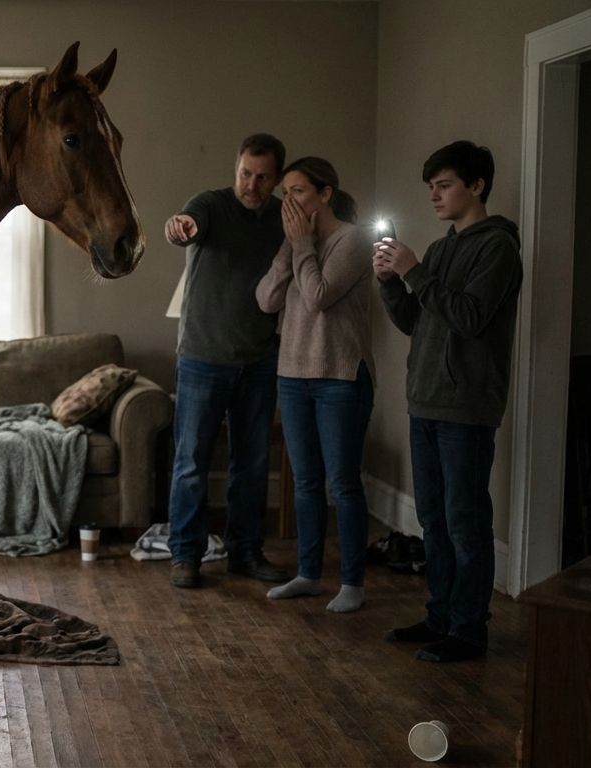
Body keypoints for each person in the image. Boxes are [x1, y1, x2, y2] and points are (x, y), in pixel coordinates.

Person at [374, 141, 522, 662]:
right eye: (431, 187)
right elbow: (419, 323)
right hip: (426, 401)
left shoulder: (498, 247)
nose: (434, 196)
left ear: (475, 186)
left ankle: (468, 630)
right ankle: (440, 617)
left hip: (466, 409)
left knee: (465, 523)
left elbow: (470, 317)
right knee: (432, 521)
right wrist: (391, 284)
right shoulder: (439, 250)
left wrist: (415, 272)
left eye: (444, 185)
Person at [162, 134, 291, 589]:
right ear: (234, 168)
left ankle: (245, 552)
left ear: (275, 179)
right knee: (192, 461)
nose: (251, 185)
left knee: (252, 463)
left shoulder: (283, 218)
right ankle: (186, 555)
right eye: (244, 174)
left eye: (261, 177)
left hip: (259, 360)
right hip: (202, 357)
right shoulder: (211, 205)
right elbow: (183, 224)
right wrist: (179, 226)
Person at [254, 157, 375, 612]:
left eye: (299, 191)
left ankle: (352, 584)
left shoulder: (354, 239)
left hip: (340, 376)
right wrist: (290, 249)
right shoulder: (295, 242)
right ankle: (307, 574)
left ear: (325, 194)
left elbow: (319, 296)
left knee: (342, 483)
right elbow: (267, 299)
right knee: (304, 482)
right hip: (293, 373)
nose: (290, 201)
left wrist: (301, 245)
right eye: (286, 193)